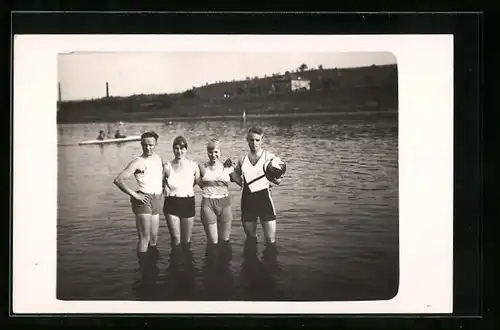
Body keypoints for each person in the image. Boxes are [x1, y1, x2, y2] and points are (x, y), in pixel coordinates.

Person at [113, 131, 163, 267]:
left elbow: (158, 177)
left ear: (156, 144)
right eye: (145, 145)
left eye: (151, 145)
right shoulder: (137, 162)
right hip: (143, 200)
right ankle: (143, 269)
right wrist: (135, 195)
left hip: (156, 199)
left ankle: (152, 267)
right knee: (144, 238)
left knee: (154, 238)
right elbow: (118, 180)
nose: (148, 148)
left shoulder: (158, 158)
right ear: (141, 144)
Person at [231, 125, 283, 257]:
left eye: (257, 140)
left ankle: (270, 271)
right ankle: (251, 270)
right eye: (251, 140)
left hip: (265, 201)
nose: (254, 143)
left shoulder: (270, 157)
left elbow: (279, 180)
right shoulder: (242, 159)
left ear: (262, 140)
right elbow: (236, 175)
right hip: (248, 201)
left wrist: (273, 177)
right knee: (251, 239)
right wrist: (239, 181)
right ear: (247, 140)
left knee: (270, 241)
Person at [198, 138, 235, 261]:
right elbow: (190, 181)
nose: (213, 155)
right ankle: (211, 270)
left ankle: (225, 270)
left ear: (220, 152)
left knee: (225, 241)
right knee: (213, 242)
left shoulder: (228, 167)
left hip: (224, 201)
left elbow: (242, 181)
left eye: (216, 152)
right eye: (210, 151)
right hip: (208, 202)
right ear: (207, 152)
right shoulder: (202, 167)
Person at [163, 136, 200, 256]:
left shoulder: (193, 166)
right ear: (173, 150)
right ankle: (175, 265)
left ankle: (187, 266)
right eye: (176, 148)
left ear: (186, 150)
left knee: (187, 240)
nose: (179, 151)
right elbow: (158, 183)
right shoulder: (167, 166)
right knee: (176, 239)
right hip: (172, 202)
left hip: (188, 202)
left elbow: (200, 183)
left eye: (182, 148)